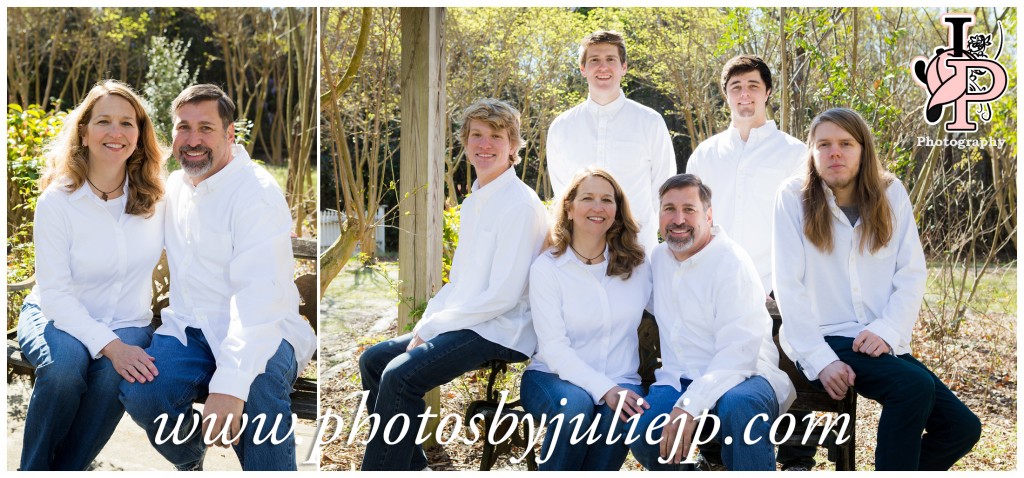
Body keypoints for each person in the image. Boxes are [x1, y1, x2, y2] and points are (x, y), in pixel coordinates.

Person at [119, 84, 316, 471]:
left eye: (206, 128)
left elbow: (258, 302)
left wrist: (229, 385)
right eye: (183, 127)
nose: (193, 140)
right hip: (191, 326)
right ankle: (191, 458)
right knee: (145, 392)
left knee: (257, 389)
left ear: (230, 134)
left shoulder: (255, 193)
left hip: (266, 329)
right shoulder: (173, 187)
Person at [774, 108, 981, 470]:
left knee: (961, 427)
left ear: (863, 149)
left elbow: (911, 273)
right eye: (824, 144)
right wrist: (821, 361)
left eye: (845, 143)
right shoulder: (794, 197)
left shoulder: (890, 192)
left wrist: (887, 329)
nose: (834, 152)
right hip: (825, 335)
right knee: (912, 387)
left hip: (878, 338)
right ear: (811, 150)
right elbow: (788, 286)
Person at [358, 99, 548, 471]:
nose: (485, 144)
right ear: (465, 142)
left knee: (400, 376)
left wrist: (434, 327)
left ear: (513, 146)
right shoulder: (477, 199)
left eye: (496, 136)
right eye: (476, 135)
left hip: (502, 328)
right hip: (471, 319)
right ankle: (411, 467)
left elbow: (503, 296)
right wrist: (426, 324)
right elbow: (459, 282)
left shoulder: (519, 205)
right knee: (375, 360)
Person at [17, 79, 166, 470]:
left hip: (127, 321)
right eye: (103, 121)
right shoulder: (59, 201)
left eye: (127, 123)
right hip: (56, 315)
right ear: (83, 132)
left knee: (117, 376)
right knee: (64, 370)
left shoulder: (157, 200)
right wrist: (110, 347)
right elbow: (56, 295)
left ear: (139, 134)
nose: (115, 133)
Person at [684, 54, 813, 470]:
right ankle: (714, 455)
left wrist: (785, 284)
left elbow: (807, 222)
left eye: (753, 86)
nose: (745, 95)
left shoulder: (793, 153)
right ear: (725, 95)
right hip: (717, 285)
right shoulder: (706, 154)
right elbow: (691, 218)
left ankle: (796, 456)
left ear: (768, 92)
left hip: (775, 284)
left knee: (786, 370)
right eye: (736, 87)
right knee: (717, 365)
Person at [628, 174, 795, 471]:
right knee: (644, 434)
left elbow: (738, 355)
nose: (678, 219)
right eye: (669, 209)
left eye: (689, 209)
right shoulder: (659, 259)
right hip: (680, 377)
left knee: (742, 410)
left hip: (745, 377)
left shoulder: (732, 263)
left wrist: (689, 406)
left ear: (708, 215)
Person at [520, 168, 652, 470]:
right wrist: (605, 389)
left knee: (623, 411)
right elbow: (553, 349)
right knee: (576, 407)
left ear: (617, 211)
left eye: (607, 199)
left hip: (622, 381)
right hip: (552, 379)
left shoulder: (638, 266)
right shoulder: (548, 269)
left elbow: (678, 301)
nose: (598, 207)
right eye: (588, 198)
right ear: (569, 207)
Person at [547, 30, 676, 253]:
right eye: (594, 60)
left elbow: (664, 189)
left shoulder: (650, 122)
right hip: (580, 254)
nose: (602, 67)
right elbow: (563, 195)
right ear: (583, 68)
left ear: (623, 67)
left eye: (610, 59)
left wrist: (639, 231)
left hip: (637, 251)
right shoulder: (561, 127)